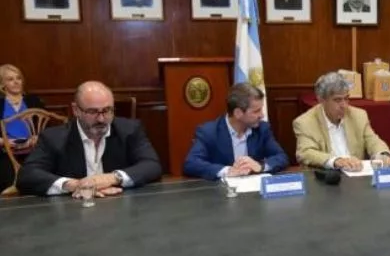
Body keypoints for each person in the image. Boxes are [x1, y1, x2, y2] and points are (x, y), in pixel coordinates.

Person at [17, 81, 162, 197]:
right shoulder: (54, 138)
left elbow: (152, 165)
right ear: (76, 110)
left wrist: (112, 178)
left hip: (119, 204)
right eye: (92, 112)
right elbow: (27, 176)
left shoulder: (129, 130)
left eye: (107, 110)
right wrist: (75, 185)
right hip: (73, 210)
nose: (101, 119)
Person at [183, 83, 288, 181]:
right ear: (238, 113)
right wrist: (227, 171)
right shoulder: (209, 132)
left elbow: (281, 157)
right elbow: (191, 164)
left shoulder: (262, 129)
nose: (262, 115)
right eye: (256, 111)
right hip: (221, 191)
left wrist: (260, 166)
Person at [293, 72, 390, 170]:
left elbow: (373, 141)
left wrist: (382, 154)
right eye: (337, 100)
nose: (344, 105)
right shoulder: (305, 122)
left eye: (346, 98)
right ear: (321, 100)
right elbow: (305, 153)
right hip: (327, 175)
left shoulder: (358, 116)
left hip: (356, 174)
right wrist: (336, 161)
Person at [0, 65, 44, 191]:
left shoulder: (33, 101)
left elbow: (47, 128)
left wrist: (38, 137)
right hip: (5, 151)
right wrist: (3, 141)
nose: (16, 82)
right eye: (10, 79)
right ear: (2, 84)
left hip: (33, 149)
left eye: (18, 78)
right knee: (7, 175)